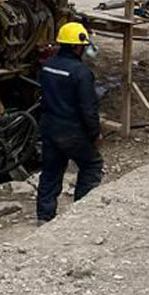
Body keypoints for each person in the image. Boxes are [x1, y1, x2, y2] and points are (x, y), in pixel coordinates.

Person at [36, 21, 103, 223]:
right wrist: (95, 134)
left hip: (49, 128)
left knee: (50, 172)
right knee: (92, 165)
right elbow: (88, 109)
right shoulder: (81, 73)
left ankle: (44, 217)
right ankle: (80, 215)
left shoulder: (47, 67)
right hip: (73, 132)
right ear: (77, 46)